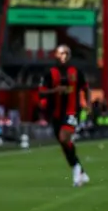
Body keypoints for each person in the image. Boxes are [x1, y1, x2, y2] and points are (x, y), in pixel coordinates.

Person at [39, 45, 91, 187]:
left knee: (64, 137)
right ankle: (79, 169)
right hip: (55, 112)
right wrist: (55, 90)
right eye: (61, 53)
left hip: (72, 111)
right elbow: (41, 92)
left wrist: (88, 103)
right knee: (64, 143)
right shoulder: (49, 73)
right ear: (56, 55)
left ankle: (76, 171)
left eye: (67, 53)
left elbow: (86, 88)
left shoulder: (76, 72)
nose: (64, 56)